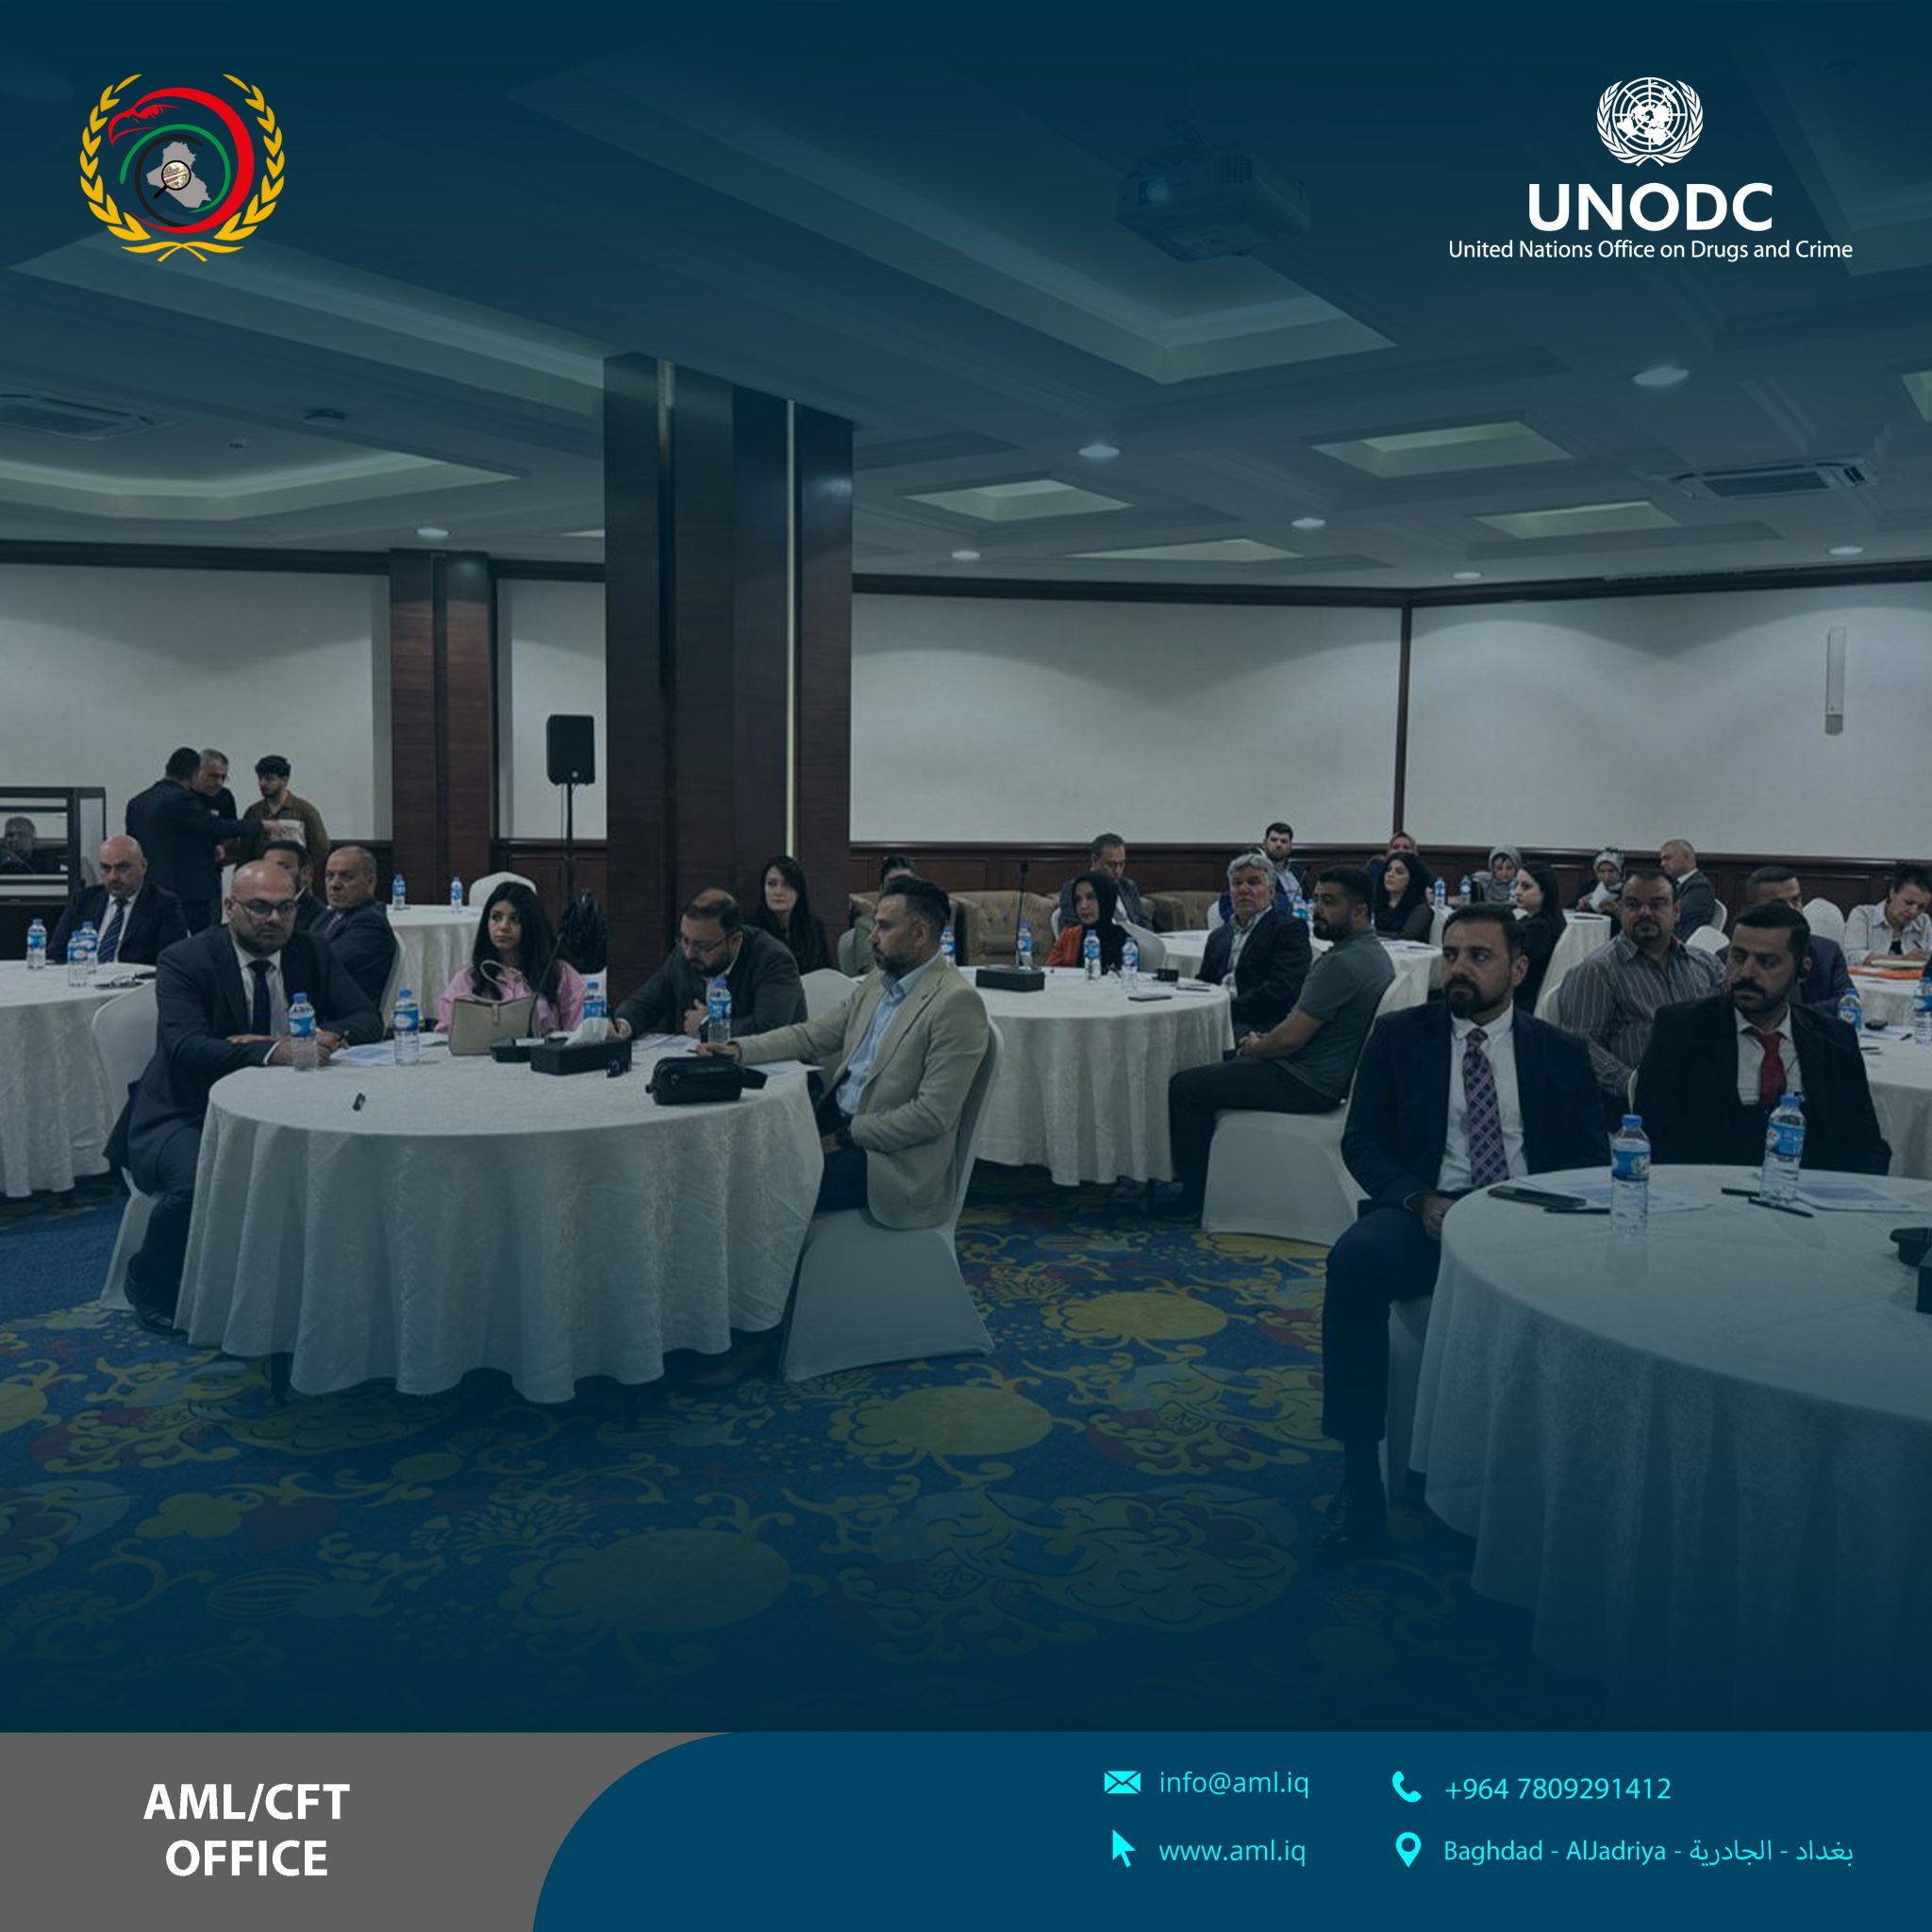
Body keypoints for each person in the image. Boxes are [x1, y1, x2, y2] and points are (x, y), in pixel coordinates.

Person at [1319, 908, 1607, 1553]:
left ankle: (1574, 1475)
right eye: (1451, 955)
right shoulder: (1400, 1036)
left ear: (1519, 970)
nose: (1458, 969)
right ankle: (1360, 1474)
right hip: (1426, 1217)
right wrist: (1419, 1199)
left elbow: (1591, 1159)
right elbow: (1362, 1141)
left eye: (1479, 957)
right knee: (1354, 1263)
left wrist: (1533, 1213)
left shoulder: (1559, 1052)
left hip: (1530, 1222)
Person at [696, 876, 991, 1388]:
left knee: (768, 1189)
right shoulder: (878, 983)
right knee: (737, 1161)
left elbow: (931, 1117)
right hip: (840, 1127)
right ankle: (723, 1314)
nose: (870, 936)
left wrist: (847, 1137)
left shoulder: (955, 1004)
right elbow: (812, 1036)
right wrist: (739, 1050)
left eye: (883, 926)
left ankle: (756, 1334)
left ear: (920, 933)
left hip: (892, 1164)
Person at [107, 860, 381, 1334]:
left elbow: (367, 1018)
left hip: (294, 1106)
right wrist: (275, 1050)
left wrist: (320, 1036)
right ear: (229, 907)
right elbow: (189, 1048)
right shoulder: (185, 960)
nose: (274, 919)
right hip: (186, 1110)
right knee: (199, 1180)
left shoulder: (312, 950)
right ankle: (148, 1279)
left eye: (285, 908)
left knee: (355, 1159)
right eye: (259, 907)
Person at [1158, 868, 1394, 1220]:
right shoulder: (1374, 955)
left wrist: (1255, 1046)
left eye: (1329, 902)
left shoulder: (1341, 964)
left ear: (1359, 911)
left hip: (1305, 1081)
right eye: (1317, 899)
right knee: (1217, 1063)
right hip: (1327, 1077)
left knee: (1185, 1087)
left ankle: (1194, 1198)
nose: (1317, 910)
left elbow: (1288, 1041)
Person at [1636, 903, 1890, 1175]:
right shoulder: (1681, 1030)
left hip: (1816, 1191)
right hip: (1708, 1188)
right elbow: (1653, 1136)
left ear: (1803, 969)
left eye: (1767, 962)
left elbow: (1867, 1145)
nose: (1746, 972)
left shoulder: (1834, 1040)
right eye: (1738, 957)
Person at [1552, 864, 1724, 1124]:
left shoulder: (1706, 965)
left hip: (1707, 1096)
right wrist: (1634, 1084)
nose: (1645, 913)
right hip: (1634, 1112)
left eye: (1657, 904)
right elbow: (1581, 1044)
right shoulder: (1597, 971)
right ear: (1621, 910)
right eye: (1633, 905)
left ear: (1677, 911)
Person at [612, 889, 804, 1041]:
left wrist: (706, 1024)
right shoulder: (686, 953)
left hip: (776, 1070)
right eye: (684, 940)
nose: (689, 953)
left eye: (702, 946)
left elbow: (770, 1030)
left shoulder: (773, 960)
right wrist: (622, 1024)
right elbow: (648, 1000)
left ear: (735, 940)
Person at [438, 879, 587, 1037]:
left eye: (515, 919)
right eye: (496, 917)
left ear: (532, 925)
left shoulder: (560, 975)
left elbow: (582, 1035)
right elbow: (445, 1037)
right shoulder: (468, 980)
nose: (503, 926)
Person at [125, 746, 248, 933]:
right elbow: (213, 826)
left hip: (187, 882)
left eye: (224, 777)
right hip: (191, 888)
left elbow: (225, 834)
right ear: (197, 773)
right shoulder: (184, 799)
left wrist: (220, 846)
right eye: (213, 776)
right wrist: (261, 825)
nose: (219, 782)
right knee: (200, 940)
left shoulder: (137, 803)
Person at [1197, 849, 1311, 1036]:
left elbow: (1281, 991)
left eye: (1253, 882)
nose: (1243, 890)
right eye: (1237, 883)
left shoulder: (1289, 931)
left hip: (1258, 1023)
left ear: (1271, 892)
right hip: (1214, 1016)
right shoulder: (1219, 936)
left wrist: (1224, 1008)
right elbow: (1205, 982)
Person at [50, 835, 186, 965]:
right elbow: (55, 954)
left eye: (122, 868)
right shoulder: (83, 900)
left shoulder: (164, 905)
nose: (113, 877)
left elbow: (171, 963)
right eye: (106, 868)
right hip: (85, 976)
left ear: (143, 866)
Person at [1743, 866, 1852, 1011]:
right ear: (1754, 910)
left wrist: (1793, 1016)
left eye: (1796, 900)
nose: (1792, 910)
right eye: (1779, 904)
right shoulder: (1734, 958)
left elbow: (1847, 1002)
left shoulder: (1828, 953)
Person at [316, 845, 399, 1009]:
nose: (334, 884)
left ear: (370, 882)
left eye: (346, 876)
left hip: (343, 1014)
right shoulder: (327, 916)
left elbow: (321, 965)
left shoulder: (370, 925)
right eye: (329, 876)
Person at [750, 854, 830, 974]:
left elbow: (825, 973)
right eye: (771, 884)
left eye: (787, 885)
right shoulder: (751, 931)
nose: (778, 892)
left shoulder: (814, 927)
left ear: (799, 891)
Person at [241, 755, 330, 861]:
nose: (262, 784)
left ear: (284, 780)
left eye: (269, 779)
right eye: (260, 778)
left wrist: (306, 867)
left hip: (294, 870)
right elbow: (245, 850)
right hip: (261, 869)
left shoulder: (305, 810)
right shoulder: (253, 812)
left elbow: (321, 848)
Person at [1843, 865, 1932, 965]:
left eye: (1921, 907)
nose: (1914, 911)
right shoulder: (1863, 915)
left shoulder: (1923, 922)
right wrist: (1903, 960)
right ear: (1893, 893)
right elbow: (1852, 957)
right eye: (1908, 902)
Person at [1215, 823, 1303, 923]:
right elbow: (1228, 904)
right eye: (1274, 840)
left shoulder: (1298, 871)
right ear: (1265, 844)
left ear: (1290, 846)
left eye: (1283, 841)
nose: (1278, 844)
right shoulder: (1254, 869)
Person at [1057, 833, 1145, 930]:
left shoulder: (1128, 886)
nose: (1117, 871)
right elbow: (1070, 928)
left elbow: (1143, 921)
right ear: (1094, 860)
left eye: (1121, 864)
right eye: (1111, 864)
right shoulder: (1074, 889)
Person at [848, 853, 920, 972]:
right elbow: (870, 970)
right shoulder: (866, 925)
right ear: (882, 890)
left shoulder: (925, 922)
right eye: (893, 885)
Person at [1511, 862, 1566, 1012]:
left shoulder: (1538, 930)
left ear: (1545, 891)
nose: (1517, 891)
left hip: (1522, 1002)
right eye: (1517, 885)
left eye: (1526, 887)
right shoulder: (1540, 920)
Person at [1046, 870, 1128, 970]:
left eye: (1091, 897)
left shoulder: (1125, 942)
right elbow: (1050, 972)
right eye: (1078, 900)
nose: (1083, 906)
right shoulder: (1068, 937)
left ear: (1105, 899)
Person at [258, 838, 329, 933]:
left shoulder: (320, 917)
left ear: (306, 873)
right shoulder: (254, 908)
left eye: (283, 867)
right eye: (268, 867)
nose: (273, 873)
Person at [1659, 838, 1717, 938]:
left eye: (1667, 858)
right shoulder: (1678, 884)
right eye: (1662, 860)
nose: (1662, 864)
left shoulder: (1701, 887)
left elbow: (1671, 916)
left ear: (1687, 857)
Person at [1372, 852, 1434, 941]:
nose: (1390, 875)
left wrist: (1368, 934)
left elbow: (1405, 937)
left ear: (1412, 879)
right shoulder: (1377, 903)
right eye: (1388, 870)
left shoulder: (1421, 909)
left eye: (1399, 872)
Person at [1575, 848, 1623, 913]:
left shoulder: (1626, 891)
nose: (1607, 876)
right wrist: (1580, 907)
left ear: (1619, 873)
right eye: (1602, 871)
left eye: (1611, 871)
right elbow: (1570, 910)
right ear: (1596, 873)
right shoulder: (1588, 888)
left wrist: (1617, 911)